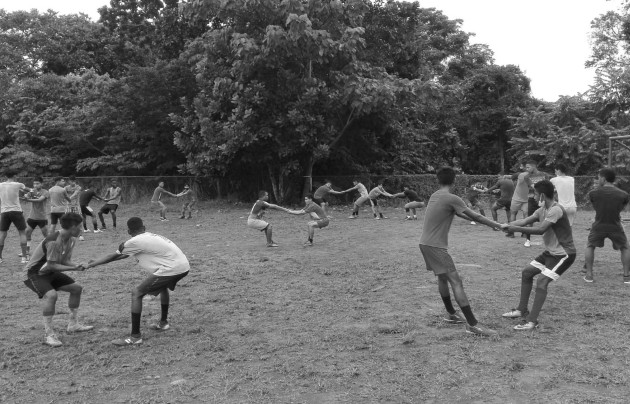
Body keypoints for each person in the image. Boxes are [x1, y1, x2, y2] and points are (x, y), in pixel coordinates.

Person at [419, 167, 501, 337]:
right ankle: (472, 324)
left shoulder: (436, 195)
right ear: (454, 181)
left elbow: (463, 214)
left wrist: (482, 223)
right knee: (456, 281)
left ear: (437, 180)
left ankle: (451, 314)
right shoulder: (452, 198)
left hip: (425, 244)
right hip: (436, 247)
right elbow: (475, 216)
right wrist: (496, 224)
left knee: (443, 277)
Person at [86, 217, 189, 346]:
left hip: (172, 268)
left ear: (129, 231)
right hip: (183, 266)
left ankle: (135, 337)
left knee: (137, 293)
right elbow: (124, 255)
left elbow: (114, 256)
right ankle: (163, 323)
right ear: (144, 228)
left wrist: (91, 264)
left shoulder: (133, 242)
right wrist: (95, 262)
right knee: (162, 288)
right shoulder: (150, 236)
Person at [501, 180, 576, 330]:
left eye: (534, 193)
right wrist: (508, 225)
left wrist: (512, 228)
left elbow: (540, 230)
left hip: (564, 254)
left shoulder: (556, 210)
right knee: (527, 272)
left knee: (542, 281)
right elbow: (525, 220)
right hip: (550, 253)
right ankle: (521, 310)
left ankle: (532, 321)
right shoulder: (542, 210)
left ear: (541, 195)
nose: (532, 196)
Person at [23, 213, 93, 347]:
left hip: (50, 272)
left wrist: (77, 265)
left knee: (76, 288)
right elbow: (51, 265)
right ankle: (49, 335)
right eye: (80, 226)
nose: (82, 229)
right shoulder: (54, 241)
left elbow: (65, 260)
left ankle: (73, 324)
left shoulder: (71, 239)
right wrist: (75, 269)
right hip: (33, 274)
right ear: (73, 227)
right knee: (52, 295)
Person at [583, 168, 630, 284]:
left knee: (590, 246)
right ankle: (626, 277)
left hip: (599, 225)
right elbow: (622, 208)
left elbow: (596, 207)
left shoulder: (593, 193)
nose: (598, 180)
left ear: (603, 178)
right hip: (615, 225)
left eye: (599, 177)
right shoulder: (624, 194)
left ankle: (589, 275)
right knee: (625, 248)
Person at [0, 170, 31, 264]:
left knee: (2, 233)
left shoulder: (0, 185)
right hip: (16, 211)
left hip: (4, 211)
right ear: (15, 175)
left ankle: (0, 258)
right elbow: (29, 190)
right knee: (22, 233)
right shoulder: (18, 184)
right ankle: (24, 258)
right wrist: (27, 192)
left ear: (5, 176)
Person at [20, 177, 50, 258]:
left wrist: (28, 200)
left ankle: (50, 250)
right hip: (32, 217)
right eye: (34, 184)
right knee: (27, 233)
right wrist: (25, 195)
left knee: (46, 235)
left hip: (42, 217)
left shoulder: (45, 192)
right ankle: (27, 251)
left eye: (37, 183)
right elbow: (27, 196)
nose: (35, 185)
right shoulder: (32, 191)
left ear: (41, 184)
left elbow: (40, 200)